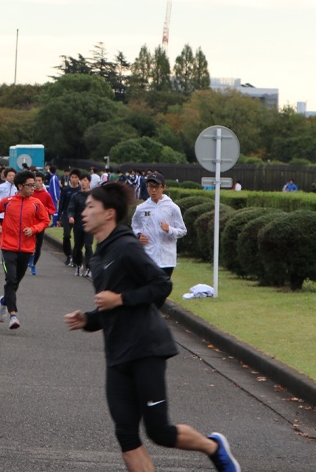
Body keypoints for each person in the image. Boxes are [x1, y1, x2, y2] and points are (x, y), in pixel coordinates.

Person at [64, 183, 240, 472]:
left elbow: (161, 285)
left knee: (159, 431)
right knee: (126, 433)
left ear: (109, 213)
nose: (84, 212)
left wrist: (120, 298)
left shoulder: (126, 246)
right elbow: (111, 308)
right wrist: (88, 319)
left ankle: (214, 447)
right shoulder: (98, 256)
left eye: (90, 207)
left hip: (146, 348)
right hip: (117, 354)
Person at [0, 170, 50, 330]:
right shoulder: (8, 202)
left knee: (15, 281)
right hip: (8, 247)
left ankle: (4, 301)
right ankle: (13, 315)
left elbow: (45, 220)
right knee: (11, 279)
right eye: (30, 185)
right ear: (20, 186)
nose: (33, 187)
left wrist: (34, 229)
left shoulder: (36, 203)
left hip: (27, 249)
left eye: (35, 184)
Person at [131, 172, 187, 277]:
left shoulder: (172, 207)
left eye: (156, 187)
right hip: (148, 256)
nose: (153, 190)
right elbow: (135, 226)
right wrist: (138, 236)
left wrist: (169, 229)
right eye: (150, 187)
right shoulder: (141, 208)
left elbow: (183, 230)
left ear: (163, 187)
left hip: (167, 259)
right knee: (149, 288)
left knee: (161, 290)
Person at [67, 172, 94, 277]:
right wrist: (71, 216)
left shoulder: (93, 196)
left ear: (89, 182)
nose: (83, 183)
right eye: (81, 180)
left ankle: (89, 267)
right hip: (78, 224)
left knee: (88, 246)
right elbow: (71, 208)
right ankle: (78, 265)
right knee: (78, 247)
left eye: (85, 180)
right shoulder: (76, 196)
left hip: (90, 225)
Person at [30, 171, 56, 275]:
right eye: (35, 180)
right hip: (30, 223)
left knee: (38, 245)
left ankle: (33, 264)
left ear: (43, 182)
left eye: (39, 181)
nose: (37, 183)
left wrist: (44, 211)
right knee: (30, 244)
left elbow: (52, 209)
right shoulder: (30, 193)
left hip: (41, 224)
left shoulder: (46, 195)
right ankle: (28, 259)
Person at [58, 168, 81, 266]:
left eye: (76, 178)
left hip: (78, 216)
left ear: (78, 179)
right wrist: (59, 217)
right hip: (67, 215)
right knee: (66, 235)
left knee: (78, 238)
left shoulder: (81, 190)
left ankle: (76, 257)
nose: (74, 179)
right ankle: (68, 255)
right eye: (72, 177)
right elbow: (61, 204)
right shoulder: (66, 190)